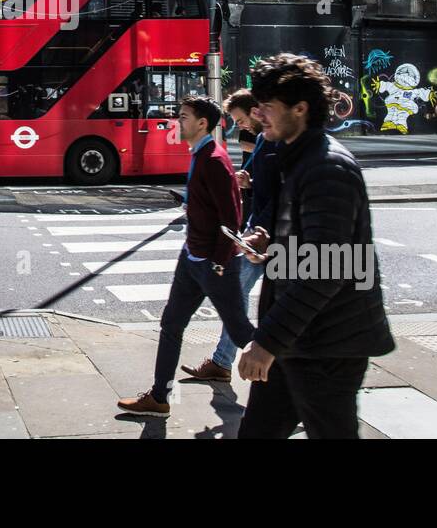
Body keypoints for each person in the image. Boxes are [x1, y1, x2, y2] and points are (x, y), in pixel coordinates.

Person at [234, 53, 395, 439]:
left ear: (300, 109)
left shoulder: (327, 167)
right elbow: (312, 247)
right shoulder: (299, 158)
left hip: (328, 345)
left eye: (268, 107)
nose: (259, 116)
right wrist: (270, 244)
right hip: (301, 338)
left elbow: (327, 269)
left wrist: (267, 341)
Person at [116, 95, 253, 418]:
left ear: (202, 123)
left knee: (241, 330)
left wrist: (219, 261)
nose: (178, 122)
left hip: (212, 262)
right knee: (171, 324)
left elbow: (232, 218)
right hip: (191, 258)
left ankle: (295, 381)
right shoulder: (199, 155)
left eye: (184, 117)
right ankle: (160, 397)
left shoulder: (214, 160)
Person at [181, 88, 276, 382]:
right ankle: (227, 361)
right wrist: (247, 181)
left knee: (237, 297)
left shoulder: (274, 143)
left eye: (243, 119)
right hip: (257, 230)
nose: (242, 125)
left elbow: (280, 190)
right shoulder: (261, 139)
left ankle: (240, 360)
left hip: (267, 235)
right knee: (238, 297)